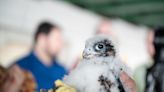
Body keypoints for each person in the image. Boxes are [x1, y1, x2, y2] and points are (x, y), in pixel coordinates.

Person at [2, 22, 68, 92]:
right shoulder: (19, 68)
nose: (61, 44)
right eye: (57, 39)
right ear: (41, 39)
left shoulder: (62, 70)